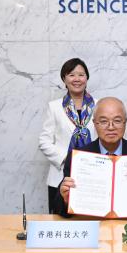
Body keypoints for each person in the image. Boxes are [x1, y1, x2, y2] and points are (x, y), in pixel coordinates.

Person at [56, 97, 127, 217]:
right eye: (103, 121)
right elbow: (60, 210)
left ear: (125, 122)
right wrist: (65, 199)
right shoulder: (79, 157)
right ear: (94, 123)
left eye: (117, 121)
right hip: (92, 226)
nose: (111, 127)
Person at [39, 58, 96, 213]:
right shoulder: (54, 107)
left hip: (94, 175)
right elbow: (44, 141)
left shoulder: (99, 105)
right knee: (60, 220)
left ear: (87, 78)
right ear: (64, 79)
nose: (77, 79)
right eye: (71, 75)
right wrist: (66, 159)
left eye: (81, 74)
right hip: (60, 177)